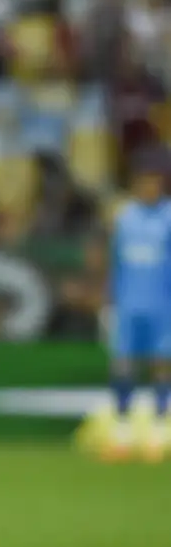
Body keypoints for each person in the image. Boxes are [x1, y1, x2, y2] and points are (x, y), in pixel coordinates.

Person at [101, 148, 171, 462]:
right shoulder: (124, 218)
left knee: (161, 364)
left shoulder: (169, 217)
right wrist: (109, 298)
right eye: (144, 181)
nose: (149, 187)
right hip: (129, 305)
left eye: (154, 181)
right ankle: (122, 428)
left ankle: (159, 427)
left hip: (162, 305)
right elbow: (115, 262)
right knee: (123, 363)